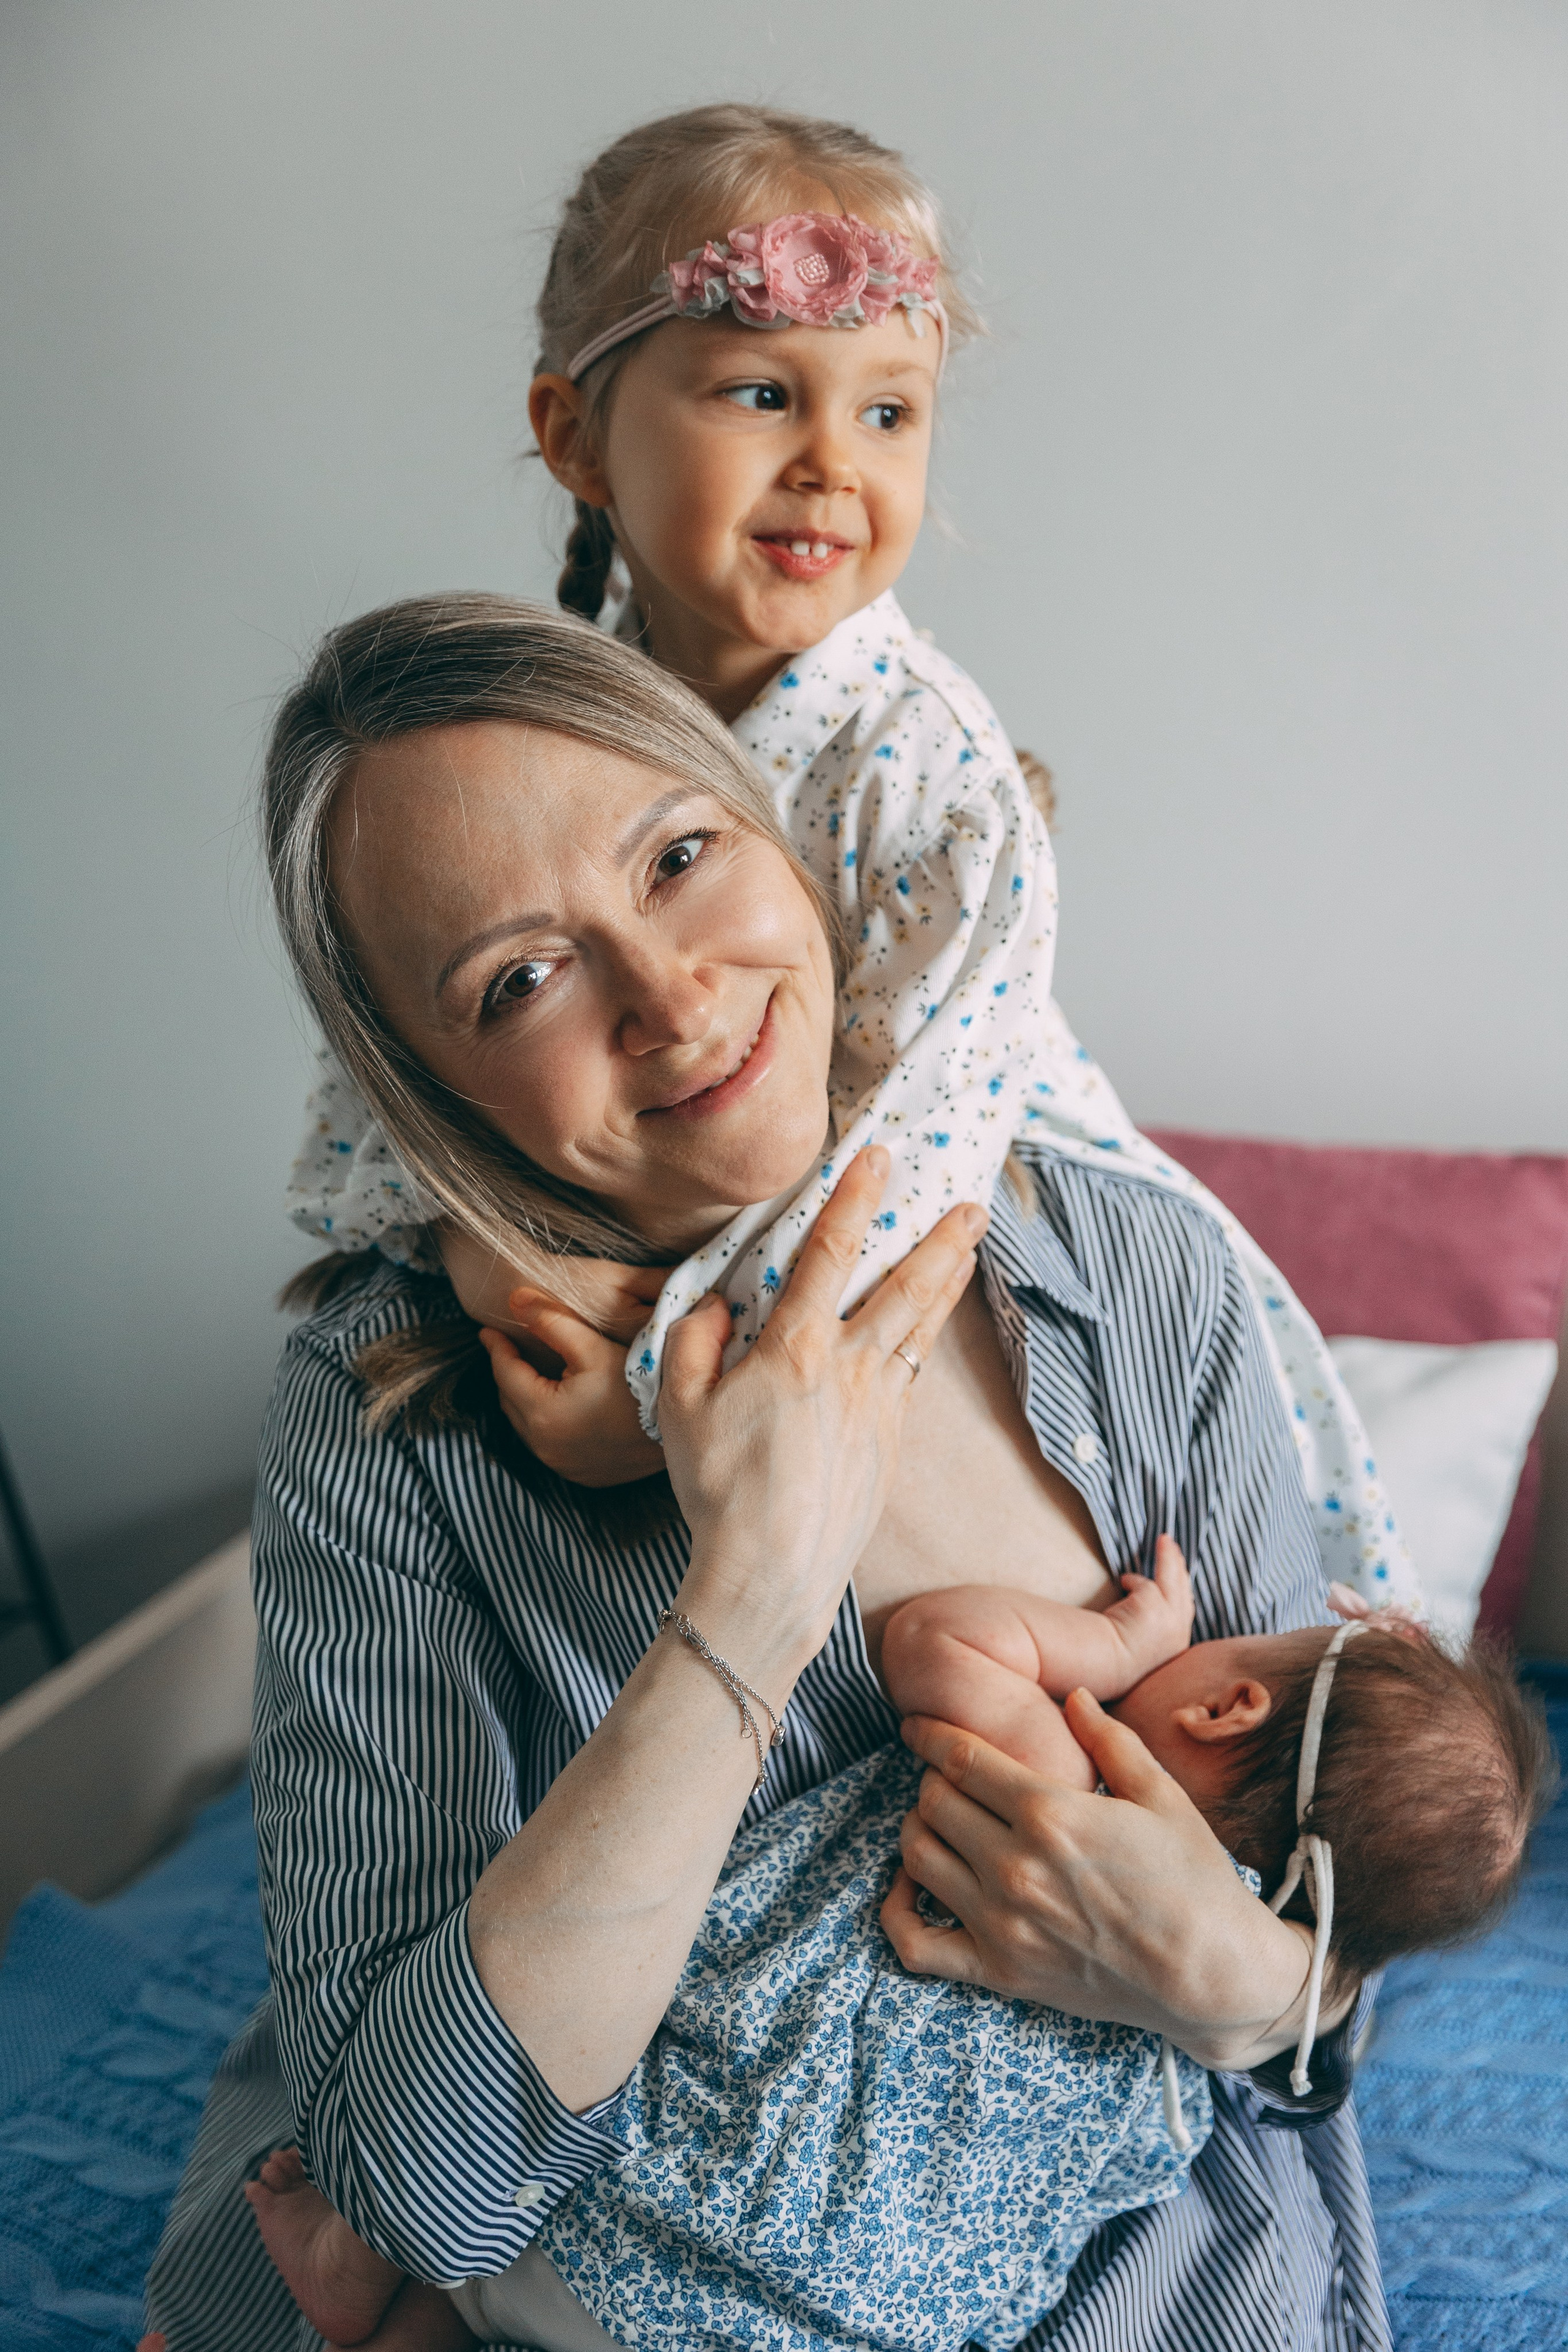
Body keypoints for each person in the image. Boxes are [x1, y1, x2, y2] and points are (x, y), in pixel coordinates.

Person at [148, 597, 1406, 2352]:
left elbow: (1358, 1912)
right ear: (431, 1095)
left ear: (775, 832)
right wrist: (748, 1593)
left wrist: (1240, 1981)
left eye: (676, 856)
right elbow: (422, 2186)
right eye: (519, 980)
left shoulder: (1131, 1277)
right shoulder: (392, 1429)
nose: (672, 999)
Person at [284, 99, 1415, 1613]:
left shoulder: (928, 765)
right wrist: (483, 1246)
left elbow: (913, 1161)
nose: (831, 463)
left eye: (886, 412)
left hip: (960, 1236)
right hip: (705, 1214)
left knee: (1179, 1660)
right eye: (761, 394)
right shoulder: (532, 749)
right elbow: (405, 1059)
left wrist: (671, 1386)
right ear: (575, 438)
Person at [239, 1546, 1551, 2351]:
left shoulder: (1056, 1783)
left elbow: (934, 1639)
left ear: (1223, 1700)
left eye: (1222, 1643)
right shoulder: (1191, 2064)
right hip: (838, 2328)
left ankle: (391, 2295)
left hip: (636, 2223)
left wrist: (1113, 1643)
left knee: (496, 2182)